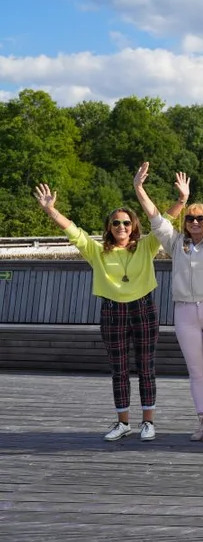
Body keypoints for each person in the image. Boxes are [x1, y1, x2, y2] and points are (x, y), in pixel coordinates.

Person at [33, 184, 164, 441]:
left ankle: (148, 423)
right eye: (116, 223)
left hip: (143, 308)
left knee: (146, 367)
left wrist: (181, 199)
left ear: (134, 225)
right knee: (119, 370)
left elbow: (163, 221)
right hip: (113, 311)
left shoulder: (147, 246)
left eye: (126, 223)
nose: (121, 227)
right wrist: (51, 210)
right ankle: (123, 422)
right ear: (109, 227)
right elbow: (73, 231)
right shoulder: (96, 251)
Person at [136, 160, 203, 442]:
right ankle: (202, 419)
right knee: (195, 370)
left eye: (201, 218)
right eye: (191, 218)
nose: (195, 222)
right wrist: (139, 189)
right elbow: (156, 220)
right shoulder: (175, 243)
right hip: (184, 312)